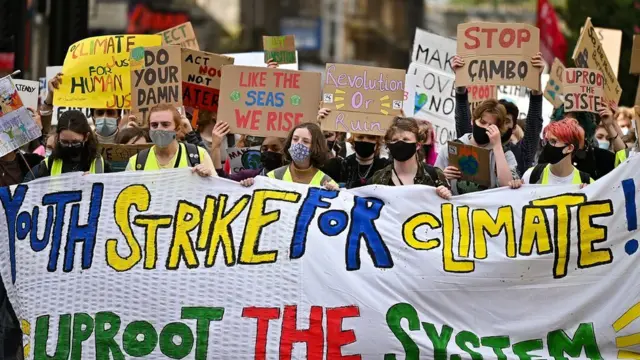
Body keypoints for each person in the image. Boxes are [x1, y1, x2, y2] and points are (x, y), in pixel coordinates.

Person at [451, 53, 545, 177]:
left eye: (506, 121)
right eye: (495, 122)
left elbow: (534, 123)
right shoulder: (472, 142)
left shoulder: (521, 153)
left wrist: (536, 80)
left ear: (514, 127)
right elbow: (462, 118)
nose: (498, 126)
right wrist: (460, 80)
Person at [435, 99, 518, 195]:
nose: (486, 128)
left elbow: (508, 186)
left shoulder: (505, 154)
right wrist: (443, 177)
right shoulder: (450, 148)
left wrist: (497, 146)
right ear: (473, 120)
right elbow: (433, 183)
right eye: (482, 122)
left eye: (491, 126)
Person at [368, 117, 451, 199]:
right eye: (395, 140)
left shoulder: (434, 175)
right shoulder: (377, 180)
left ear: (417, 145)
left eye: (406, 139)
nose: (400, 143)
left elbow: (449, 206)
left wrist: (446, 195)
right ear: (389, 145)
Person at [125, 104, 214, 177]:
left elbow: (217, 190)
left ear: (177, 129)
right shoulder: (136, 162)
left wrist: (208, 178)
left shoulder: (199, 155)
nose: (159, 129)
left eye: (165, 124)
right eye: (154, 125)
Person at [240, 122, 338, 188]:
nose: (298, 144)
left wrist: (335, 194)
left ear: (315, 147)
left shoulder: (326, 182)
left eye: (305, 141)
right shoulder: (273, 176)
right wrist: (249, 186)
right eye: (295, 139)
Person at [24, 110, 112, 181]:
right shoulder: (47, 166)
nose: (70, 146)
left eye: (75, 142)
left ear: (86, 137)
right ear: (58, 137)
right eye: (65, 142)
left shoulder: (101, 166)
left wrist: (97, 183)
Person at [541, 105, 624, 180]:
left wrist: (609, 126)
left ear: (585, 127)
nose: (570, 128)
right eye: (563, 124)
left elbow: (626, 163)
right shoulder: (549, 155)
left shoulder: (602, 157)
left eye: (575, 123)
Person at [510, 118, 592, 188]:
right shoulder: (531, 175)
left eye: (553, 141)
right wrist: (516, 188)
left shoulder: (587, 183)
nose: (548, 145)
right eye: (546, 141)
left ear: (569, 148)